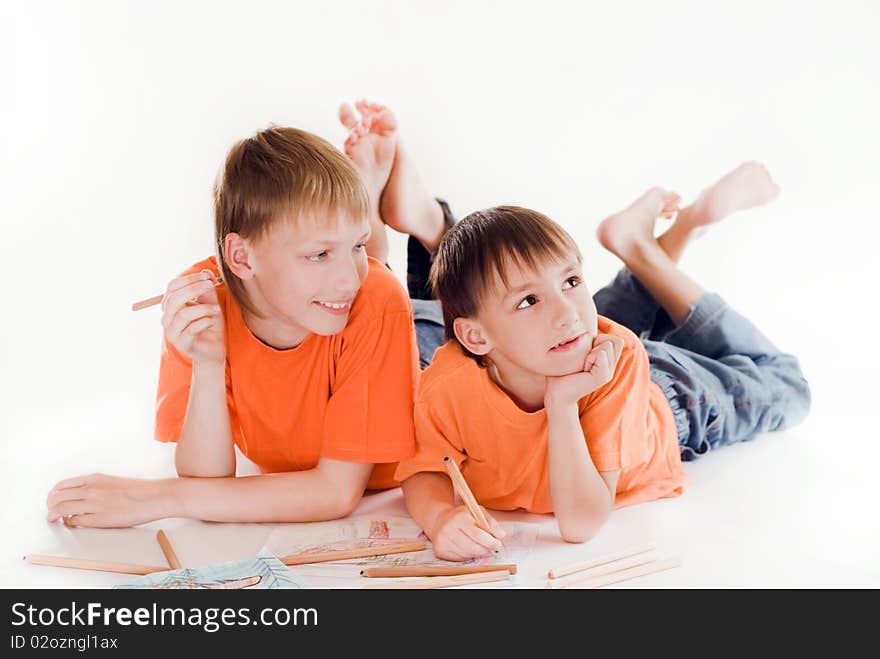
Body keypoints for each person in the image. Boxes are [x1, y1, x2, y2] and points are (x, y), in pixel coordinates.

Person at [45, 101, 452, 527]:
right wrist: (207, 363)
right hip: (348, 325)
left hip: (412, 354)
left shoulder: (372, 295)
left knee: (442, 318)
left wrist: (156, 499)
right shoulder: (198, 304)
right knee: (363, 278)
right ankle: (364, 207)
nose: (349, 278)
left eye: (353, 245)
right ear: (241, 257)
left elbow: (335, 492)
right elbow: (207, 478)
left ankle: (424, 221)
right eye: (318, 254)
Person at [395, 163, 811, 561]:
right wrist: (441, 517)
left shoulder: (614, 357)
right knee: (569, 327)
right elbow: (424, 469)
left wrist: (561, 405)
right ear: (475, 336)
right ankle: (641, 242)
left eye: (572, 280)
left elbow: (580, 523)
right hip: (572, 353)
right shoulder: (448, 382)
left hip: (675, 401)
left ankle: (661, 241)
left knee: (787, 383)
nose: (566, 311)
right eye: (528, 300)